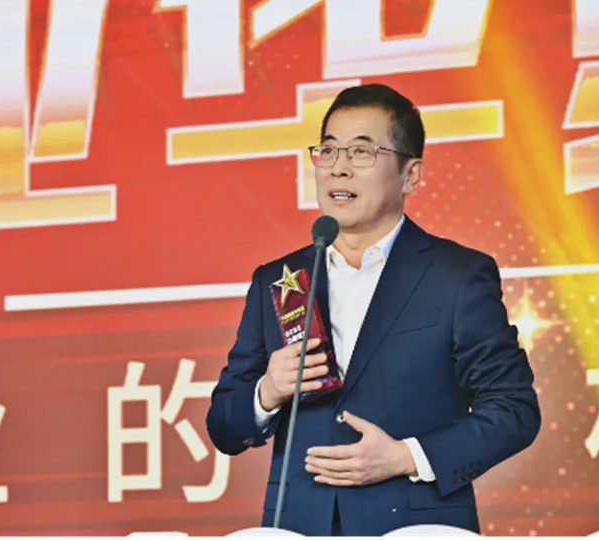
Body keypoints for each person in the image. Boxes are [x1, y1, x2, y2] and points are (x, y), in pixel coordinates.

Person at [205, 83, 540, 536]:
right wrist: (267, 392)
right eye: (328, 150)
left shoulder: (456, 275)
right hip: (298, 528)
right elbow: (225, 429)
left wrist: (407, 457)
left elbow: (514, 411)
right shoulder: (280, 281)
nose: (338, 167)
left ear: (411, 175)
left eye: (362, 152)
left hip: (416, 529)